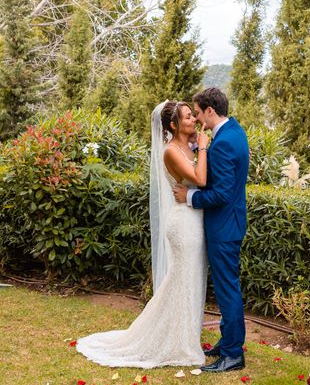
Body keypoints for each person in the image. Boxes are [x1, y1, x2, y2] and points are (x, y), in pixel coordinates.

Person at [75, 101, 210, 368]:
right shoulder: (171, 151)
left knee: (190, 279)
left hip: (195, 219)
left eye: (192, 116)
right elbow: (200, 179)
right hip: (182, 224)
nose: (193, 120)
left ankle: (184, 334)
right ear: (172, 125)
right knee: (181, 280)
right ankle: (176, 341)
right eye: (186, 117)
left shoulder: (188, 145)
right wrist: (203, 145)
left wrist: (197, 143)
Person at [173, 87, 249, 373]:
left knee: (228, 289)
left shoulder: (225, 142)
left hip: (224, 227)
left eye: (198, 112)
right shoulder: (234, 132)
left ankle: (232, 355)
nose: (197, 119)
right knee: (226, 286)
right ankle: (227, 341)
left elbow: (222, 194)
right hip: (229, 224)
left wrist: (189, 197)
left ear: (210, 111)